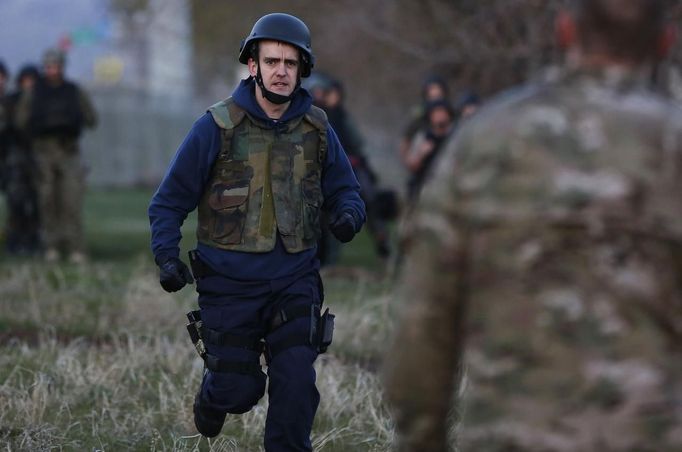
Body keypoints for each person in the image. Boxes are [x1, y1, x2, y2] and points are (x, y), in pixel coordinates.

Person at [383, 0, 682, 451]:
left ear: (564, 31)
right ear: (665, 41)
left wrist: (420, 439)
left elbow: (424, 322)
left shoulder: (484, 144)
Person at [148, 13, 365, 451]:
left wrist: (347, 215)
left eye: (290, 63)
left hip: (294, 278)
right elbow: (168, 201)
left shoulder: (319, 129)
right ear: (253, 65)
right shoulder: (216, 126)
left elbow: (347, 190)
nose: (281, 71)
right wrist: (167, 257)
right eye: (272, 62)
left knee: (296, 378)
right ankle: (214, 396)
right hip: (229, 283)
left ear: (302, 69)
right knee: (238, 392)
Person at [15, 49, 97, 263]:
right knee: (47, 200)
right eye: (49, 66)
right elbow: (21, 120)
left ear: (62, 67)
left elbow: (91, 118)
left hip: (69, 151)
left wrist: (73, 120)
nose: (53, 70)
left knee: (71, 200)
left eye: (56, 66)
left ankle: (75, 248)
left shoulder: (74, 91)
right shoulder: (34, 93)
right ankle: (51, 246)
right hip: (44, 152)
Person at [318, 78, 390, 264]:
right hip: (327, 170)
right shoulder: (319, 118)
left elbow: (357, 144)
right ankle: (327, 258)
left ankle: (382, 241)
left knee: (369, 200)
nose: (332, 98)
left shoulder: (343, 117)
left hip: (352, 167)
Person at [3, 65, 41, 255]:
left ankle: (34, 239)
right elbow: (17, 124)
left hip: (38, 155)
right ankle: (15, 240)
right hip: (17, 156)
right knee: (16, 201)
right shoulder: (12, 100)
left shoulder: (43, 100)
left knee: (37, 201)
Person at [404, 99, 455, 202]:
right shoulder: (423, 137)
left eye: (442, 112)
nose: (439, 116)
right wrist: (421, 154)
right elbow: (411, 165)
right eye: (436, 113)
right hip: (425, 184)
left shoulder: (455, 136)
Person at [398, 75, 449, 169]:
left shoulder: (451, 118)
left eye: (439, 96)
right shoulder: (420, 119)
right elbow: (405, 143)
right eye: (432, 97)